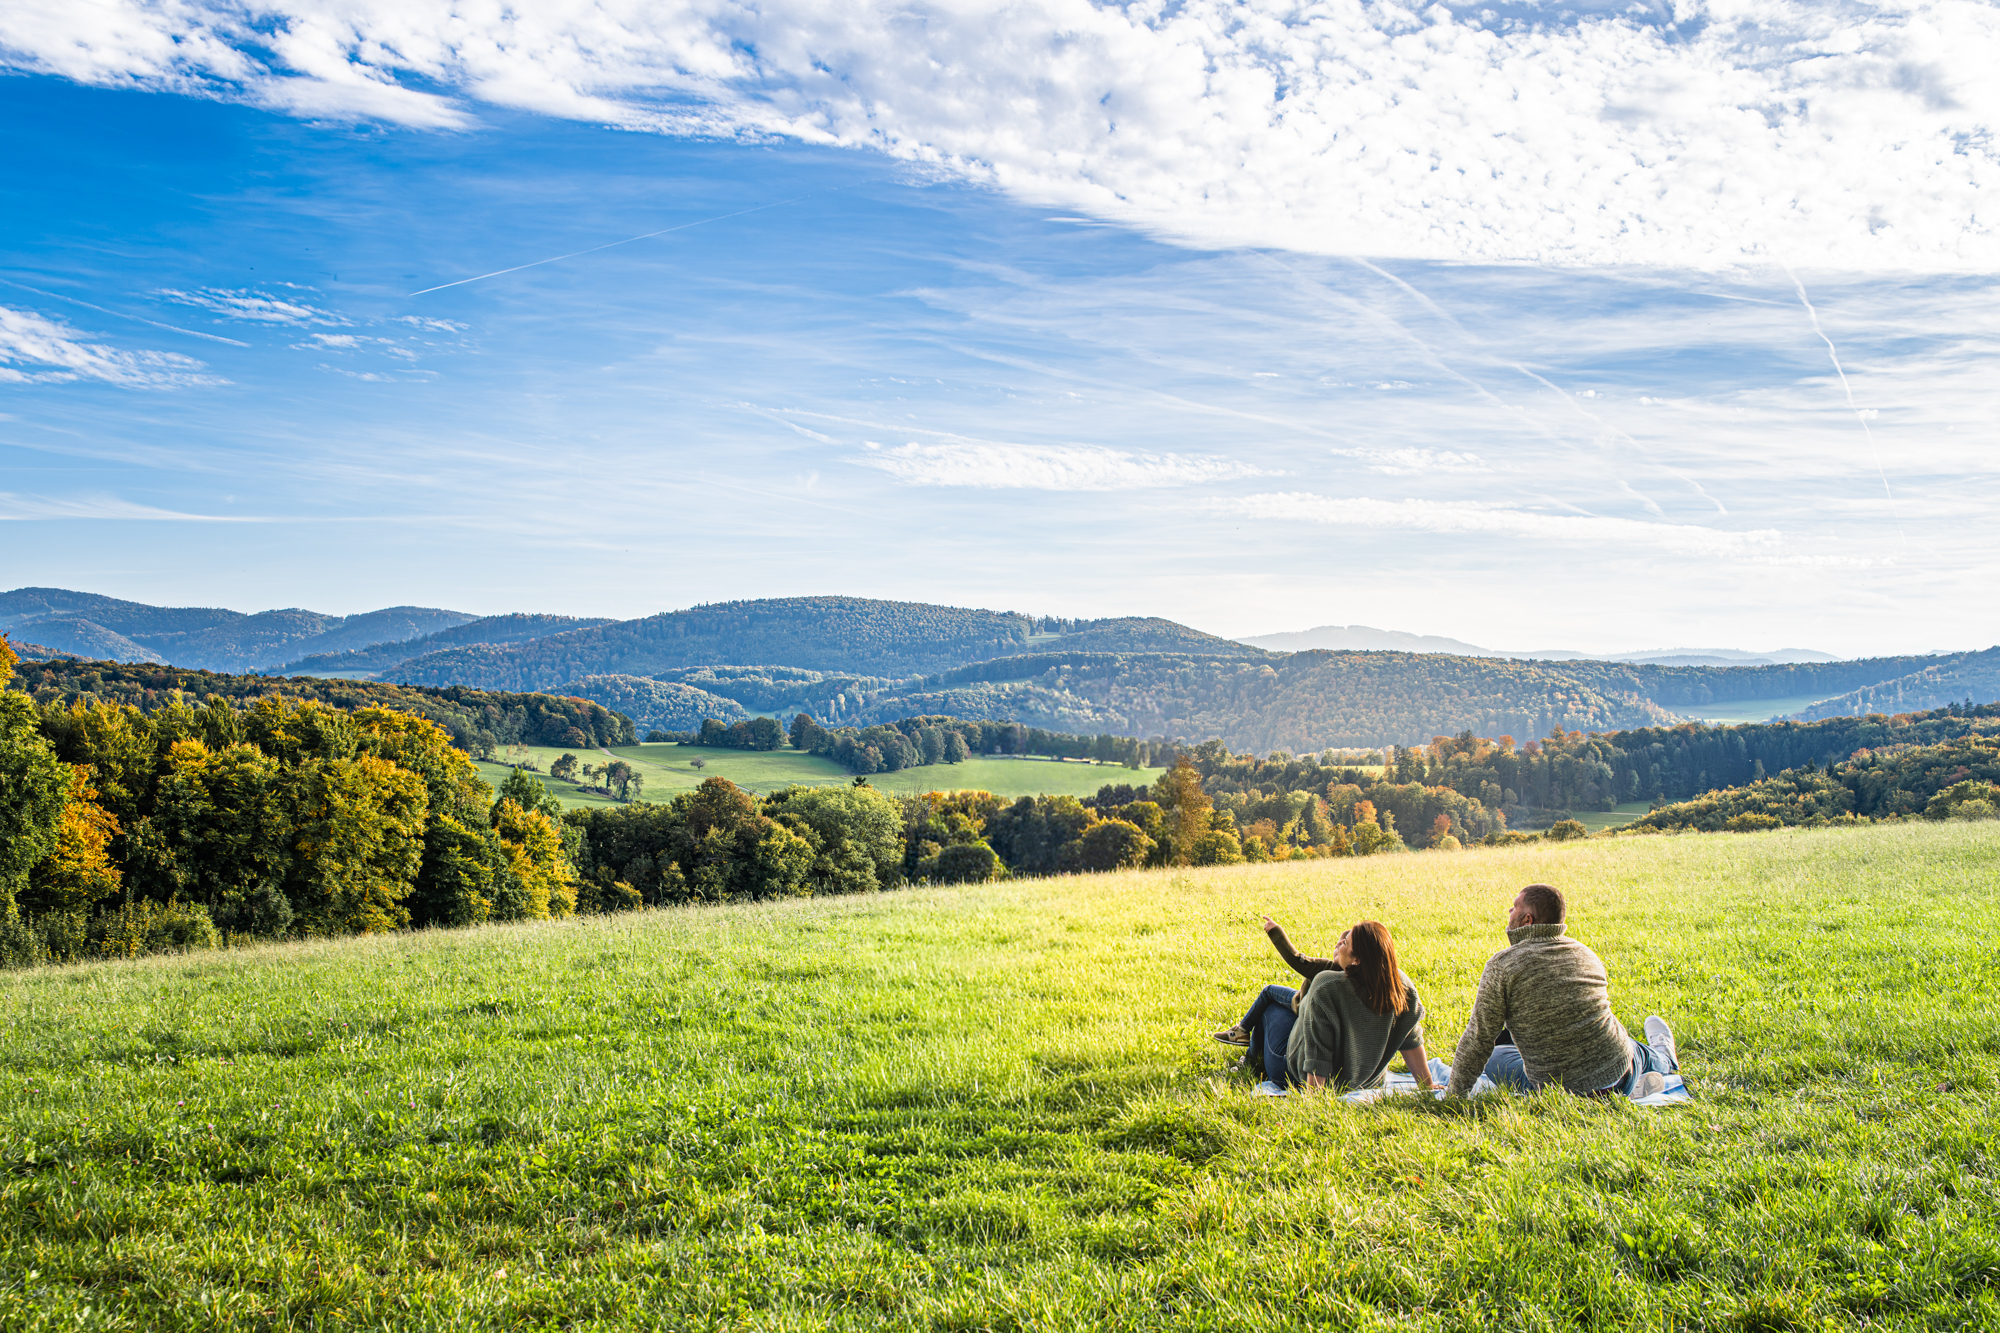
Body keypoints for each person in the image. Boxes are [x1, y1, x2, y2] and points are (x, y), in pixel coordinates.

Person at [1444, 883, 1679, 1099]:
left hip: (1563, 1094)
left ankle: (1638, 1073)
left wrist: (1453, 1096)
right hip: (1622, 1075)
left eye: (1514, 907)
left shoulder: (1502, 966)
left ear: (1527, 920)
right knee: (1630, 1046)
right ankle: (1664, 1058)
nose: (1509, 911)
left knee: (1496, 1057)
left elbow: (1479, 1038)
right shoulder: (1585, 953)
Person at [1214, 916, 1433, 1095]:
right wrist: (1427, 1084)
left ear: (1357, 960)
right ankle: (1250, 1056)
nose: (1340, 944)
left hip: (1297, 1075)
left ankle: (1251, 1060)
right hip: (1368, 1080)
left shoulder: (1327, 985)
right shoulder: (1400, 985)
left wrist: (1314, 1095)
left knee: (1270, 1008)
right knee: (1289, 1008)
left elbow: (1319, 1048)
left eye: (1345, 943)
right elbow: (1410, 1037)